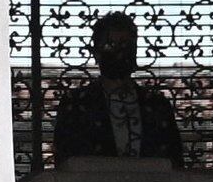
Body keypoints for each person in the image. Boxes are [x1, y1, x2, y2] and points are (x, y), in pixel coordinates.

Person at [48, 12, 185, 167]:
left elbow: (174, 163)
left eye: (126, 45)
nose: (120, 53)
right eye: (110, 45)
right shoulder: (75, 107)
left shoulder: (158, 106)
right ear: (96, 53)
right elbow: (66, 165)